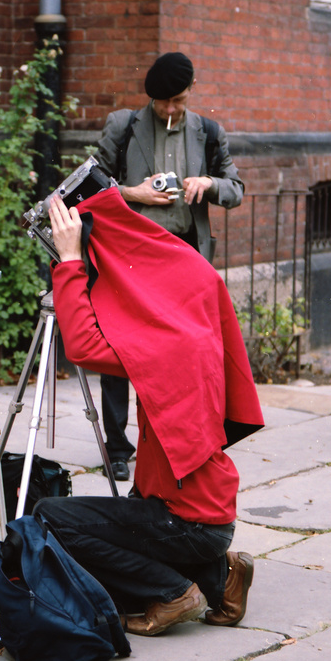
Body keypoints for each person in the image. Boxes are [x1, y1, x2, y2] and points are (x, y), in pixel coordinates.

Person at [33, 186, 263, 636]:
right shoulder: (191, 320)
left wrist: (70, 260)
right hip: (209, 512)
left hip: (187, 518)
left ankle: (173, 592)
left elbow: (81, 345)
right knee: (121, 526)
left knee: (50, 516)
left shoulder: (164, 346)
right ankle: (222, 578)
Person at [91, 52, 245, 481]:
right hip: (130, 257)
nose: (170, 110)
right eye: (162, 103)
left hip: (182, 260)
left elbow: (236, 188)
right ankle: (118, 449)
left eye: (177, 100)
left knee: (178, 356)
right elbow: (91, 182)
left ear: (190, 92)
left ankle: (168, 442)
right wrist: (133, 194)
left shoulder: (208, 132)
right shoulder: (123, 125)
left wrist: (209, 183)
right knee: (120, 351)